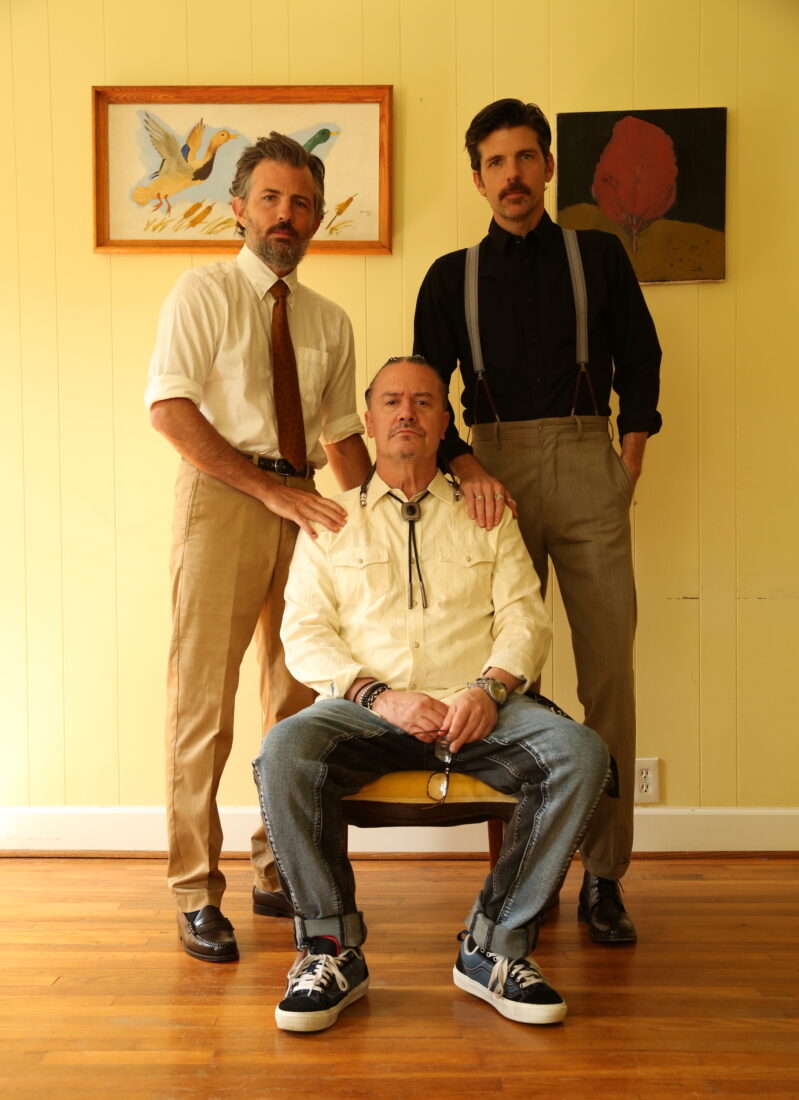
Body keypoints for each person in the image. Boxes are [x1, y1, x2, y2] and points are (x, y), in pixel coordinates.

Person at [252, 356, 609, 1033]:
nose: (406, 413)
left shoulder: (488, 512)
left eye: (422, 402)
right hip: (366, 713)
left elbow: (525, 618)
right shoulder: (331, 522)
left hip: (481, 709)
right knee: (284, 750)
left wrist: (489, 689)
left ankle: (492, 949)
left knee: (580, 753)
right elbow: (305, 634)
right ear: (369, 421)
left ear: (445, 423)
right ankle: (329, 952)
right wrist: (378, 695)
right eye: (391, 401)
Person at [413, 99, 662, 944]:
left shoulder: (599, 258)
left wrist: (627, 457)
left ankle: (606, 876)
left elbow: (644, 359)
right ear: (477, 177)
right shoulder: (452, 276)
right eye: (494, 162)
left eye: (525, 158)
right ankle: (528, 867)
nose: (511, 175)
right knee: (505, 673)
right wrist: (468, 463)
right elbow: (425, 387)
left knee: (608, 680)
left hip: (590, 464)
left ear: (547, 167)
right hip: (493, 477)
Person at [145, 132, 371, 963]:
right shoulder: (200, 293)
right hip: (222, 501)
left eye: (302, 202)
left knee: (297, 699)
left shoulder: (329, 320)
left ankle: (278, 868)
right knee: (201, 703)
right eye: (271, 198)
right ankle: (195, 890)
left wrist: (381, 508)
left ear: (317, 219)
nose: (287, 214)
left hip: (306, 508)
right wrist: (270, 488)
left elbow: (343, 438)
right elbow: (170, 411)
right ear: (237, 209)